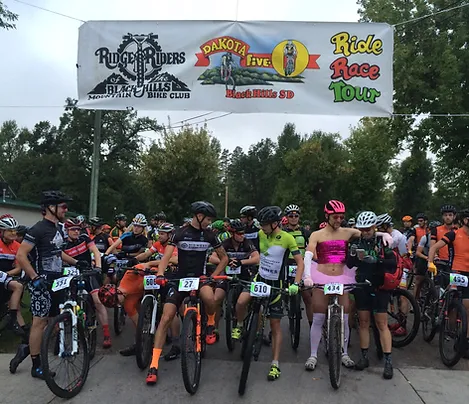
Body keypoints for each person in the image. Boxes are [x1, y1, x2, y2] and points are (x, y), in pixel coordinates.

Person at [303, 200, 393, 372]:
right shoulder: (316, 234)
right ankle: (313, 354)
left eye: (341, 217)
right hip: (321, 276)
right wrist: (307, 275)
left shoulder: (347, 232)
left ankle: (344, 353)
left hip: (341, 277)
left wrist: (384, 235)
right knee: (319, 318)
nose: (338, 220)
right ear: (327, 216)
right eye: (335, 217)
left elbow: (367, 232)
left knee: (345, 318)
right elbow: (308, 255)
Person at [145, 201, 228, 385]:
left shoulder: (209, 235)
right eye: (207, 219)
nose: (209, 222)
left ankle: (211, 323)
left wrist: (213, 276)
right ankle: (153, 364)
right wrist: (160, 273)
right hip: (180, 278)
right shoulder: (179, 233)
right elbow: (166, 256)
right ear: (198, 216)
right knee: (166, 317)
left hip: (200, 278)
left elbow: (224, 258)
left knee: (210, 299)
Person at [16, 191, 89, 379]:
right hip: (41, 281)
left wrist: (75, 262)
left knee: (55, 320)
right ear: (50, 208)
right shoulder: (37, 229)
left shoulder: (58, 229)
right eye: (63, 206)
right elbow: (21, 256)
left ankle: (45, 348)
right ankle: (36, 365)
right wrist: (34, 278)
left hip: (57, 280)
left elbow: (57, 252)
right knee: (39, 322)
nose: (66, 210)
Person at [232, 206, 304, 381]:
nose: (261, 227)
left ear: (274, 224)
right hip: (260, 279)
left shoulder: (287, 238)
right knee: (241, 302)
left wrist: (296, 283)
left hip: (276, 284)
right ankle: (240, 325)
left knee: (275, 325)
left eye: (264, 224)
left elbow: (300, 262)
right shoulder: (260, 234)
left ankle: (275, 364)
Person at [348, 211, 396, 380]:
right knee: (363, 322)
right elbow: (349, 263)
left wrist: (377, 261)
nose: (365, 232)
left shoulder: (383, 241)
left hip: (380, 285)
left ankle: (388, 361)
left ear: (375, 227)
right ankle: (364, 357)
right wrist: (353, 255)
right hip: (361, 284)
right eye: (362, 229)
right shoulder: (356, 240)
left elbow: (393, 264)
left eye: (368, 229)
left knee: (382, 323)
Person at [63, 218, 111, 348]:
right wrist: (75, 263)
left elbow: (95, 251)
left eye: (78, 229)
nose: (76, 232)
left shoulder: (84, 238)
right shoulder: (62, 243)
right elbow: (61, 255)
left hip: (88, 272)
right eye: (73, 229)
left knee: (97, 301)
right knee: (65, 300)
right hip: (71, 274)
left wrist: (99, 267)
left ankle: (106, 334)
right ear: (66, 230)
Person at [210, 219, 260, 339]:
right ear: (232, 234)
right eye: (239, 234)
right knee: (216, 299)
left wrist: (241, 262)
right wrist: (225, 262)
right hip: (227, 276)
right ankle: (214, 328)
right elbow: (212, 258)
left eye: (243, 233)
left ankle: (239, 325)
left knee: (241, 302)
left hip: (244, 276)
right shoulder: (226, 243)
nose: (242, 236)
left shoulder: (247, 243)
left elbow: (257, 258)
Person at [428, 209, 469, 354]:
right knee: (456, 302)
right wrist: (430, 262)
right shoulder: (454, 234)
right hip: (456, 271)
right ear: (465, 220)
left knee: (468, 308)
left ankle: (465, 340)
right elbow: (434, 247)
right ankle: (447, 320)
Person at [282, 204, 313, 327]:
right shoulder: (283, 232)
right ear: (287, 217)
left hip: (302, 265)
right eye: (291, 215)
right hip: (286, 265)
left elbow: (311, 248)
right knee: (280, 293)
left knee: (307, 297)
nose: (294, 218)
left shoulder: (305, 232)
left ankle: (312, 326)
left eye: (296, 215)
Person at [0, 214, 27, 335]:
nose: (13, 233)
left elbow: (19, 268)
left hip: (5, 275)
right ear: (2, 231)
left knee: (18, 286)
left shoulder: (17, 246)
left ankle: (14, 321)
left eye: (15, 230)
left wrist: (6, 274)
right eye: (10, 230)